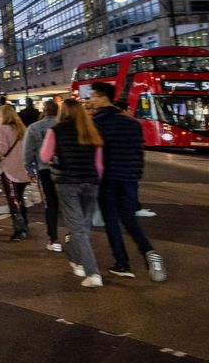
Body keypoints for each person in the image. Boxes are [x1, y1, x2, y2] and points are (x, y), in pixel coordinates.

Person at [88, 83, 166, 282]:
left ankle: (122, 262)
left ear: (102, 97)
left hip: (109, 179)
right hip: (129, 178)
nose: (91, 101)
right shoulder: (132, 123)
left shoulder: (96, 122)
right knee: (130, 219)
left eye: (93, 96)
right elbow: (139, 153)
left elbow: (95, 154)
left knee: (112, 221)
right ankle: (148, 251)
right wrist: (135, 175)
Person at [39, 98, 105, 288]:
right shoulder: (92, 131)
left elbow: (44, 156)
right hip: (90, 182)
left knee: (77, 228)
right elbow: (99, 165)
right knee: (83, 226)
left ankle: (92, 272)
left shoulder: (56, 131)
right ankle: (75, 259)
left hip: (67, 182)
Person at [0, 105, 30, 240]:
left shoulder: (2, 129)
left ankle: (19, 228)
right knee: (20, 197)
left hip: (10, 168)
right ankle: (25, 224)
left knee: (12, 198)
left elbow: (2, 149)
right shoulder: (21, 128)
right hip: (23, 168)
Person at [23, 100, 62, 252]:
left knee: (50, 204)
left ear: (44, 110)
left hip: (44, 169)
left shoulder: (34, 128)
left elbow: (28, 152)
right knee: (68, 203)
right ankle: (73, 233)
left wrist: (29, 170)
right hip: (65, 170)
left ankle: (54, 238)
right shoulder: (65, 125)